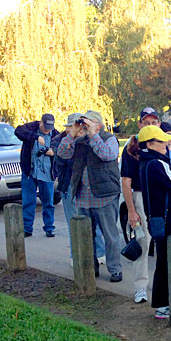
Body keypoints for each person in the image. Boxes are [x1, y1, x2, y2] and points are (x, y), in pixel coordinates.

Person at [57, 110, 123, 282]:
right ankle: (90, 268)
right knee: (87, 235)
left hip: (105, 195)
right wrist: (72, 132)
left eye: (89, 123)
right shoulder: (79, 141)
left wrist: (93, 134)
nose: (85, 126)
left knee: (110, 236)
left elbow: (107, 155)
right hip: (83, 196)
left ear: (98, 125)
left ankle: (115, 269)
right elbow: (62, 154)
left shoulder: (109, 139)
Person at [138, 125, 171, 319]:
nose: (166, 144)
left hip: (158, 219)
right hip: (168, 220)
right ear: (149, 144)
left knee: (164, 261)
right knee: (169, 261)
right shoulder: (156, 164)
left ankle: (163, 303)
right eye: (161, 141)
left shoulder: (146, 163)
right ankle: (164, 304)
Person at [51, 113, 106, 265]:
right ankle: (75, 255)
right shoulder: (58, 140)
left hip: (85, 186)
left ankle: (100, 253)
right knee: (73, 223)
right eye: (72, 126)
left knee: (93, 221)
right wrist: (73, 138)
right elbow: (61, 158)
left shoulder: (87, 139)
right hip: (68, 184)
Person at [120, 107, 159, 303]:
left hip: (160, 199)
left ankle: (165, 285)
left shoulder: (161, 144)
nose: (150, 125)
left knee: (165, 244)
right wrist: (131, 210)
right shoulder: (131, 148)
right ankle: (140, 286)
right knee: (143, 244)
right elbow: (126, 182)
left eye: (154, 122)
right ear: (140, 124)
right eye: (146, 122)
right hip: (141, 198)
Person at [14, 113, 59, 237]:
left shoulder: (55, 134)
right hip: (30, 171)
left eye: (50, 127)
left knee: (48, 202)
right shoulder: (32, 127)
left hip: (47, 173)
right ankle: (27, 228)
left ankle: (49, 228)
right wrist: (35, 137)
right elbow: (18, 131)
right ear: (40, 123)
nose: (47, 130)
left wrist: (53, 152)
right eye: (45, 127)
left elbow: (62, 149)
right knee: (28, 200)